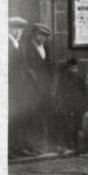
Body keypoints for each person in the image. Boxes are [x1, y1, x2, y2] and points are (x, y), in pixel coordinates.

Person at [20, 22, 54, 154]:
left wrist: (51, 85)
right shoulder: (26, 47)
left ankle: (40, 145)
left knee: (41, 118)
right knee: (31, 118)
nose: (42, 38)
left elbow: (50, 66)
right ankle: (30, 146)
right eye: (39, 34)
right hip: (31, 88)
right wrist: (35, 82)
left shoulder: (46, 47)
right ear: (34, 34)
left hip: (45, 89)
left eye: (45, 36)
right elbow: (26, 67)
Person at [52, 57, 88, 156]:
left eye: (75, 68)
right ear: (68, 68)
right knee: (69, 127)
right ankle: (70, 146)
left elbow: (85, 92)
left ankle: (78, 147)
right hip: (68, 107)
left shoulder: (80, 78)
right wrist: (59, 105)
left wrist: (87, 104)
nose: (74, 70)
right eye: (71, 68)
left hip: (78, 106)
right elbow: (59, 93)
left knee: (78, 127)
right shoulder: (64, 79)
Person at [8, 16, 31, 157]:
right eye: (15, 29)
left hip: (21, 88)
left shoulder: (19, 44)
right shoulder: (6, 44)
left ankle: (18, 147)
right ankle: (9, 149)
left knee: (20, 118)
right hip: (11, 88)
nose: (18, 32)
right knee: (11, 118)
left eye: (21, 29)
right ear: (9, 28)